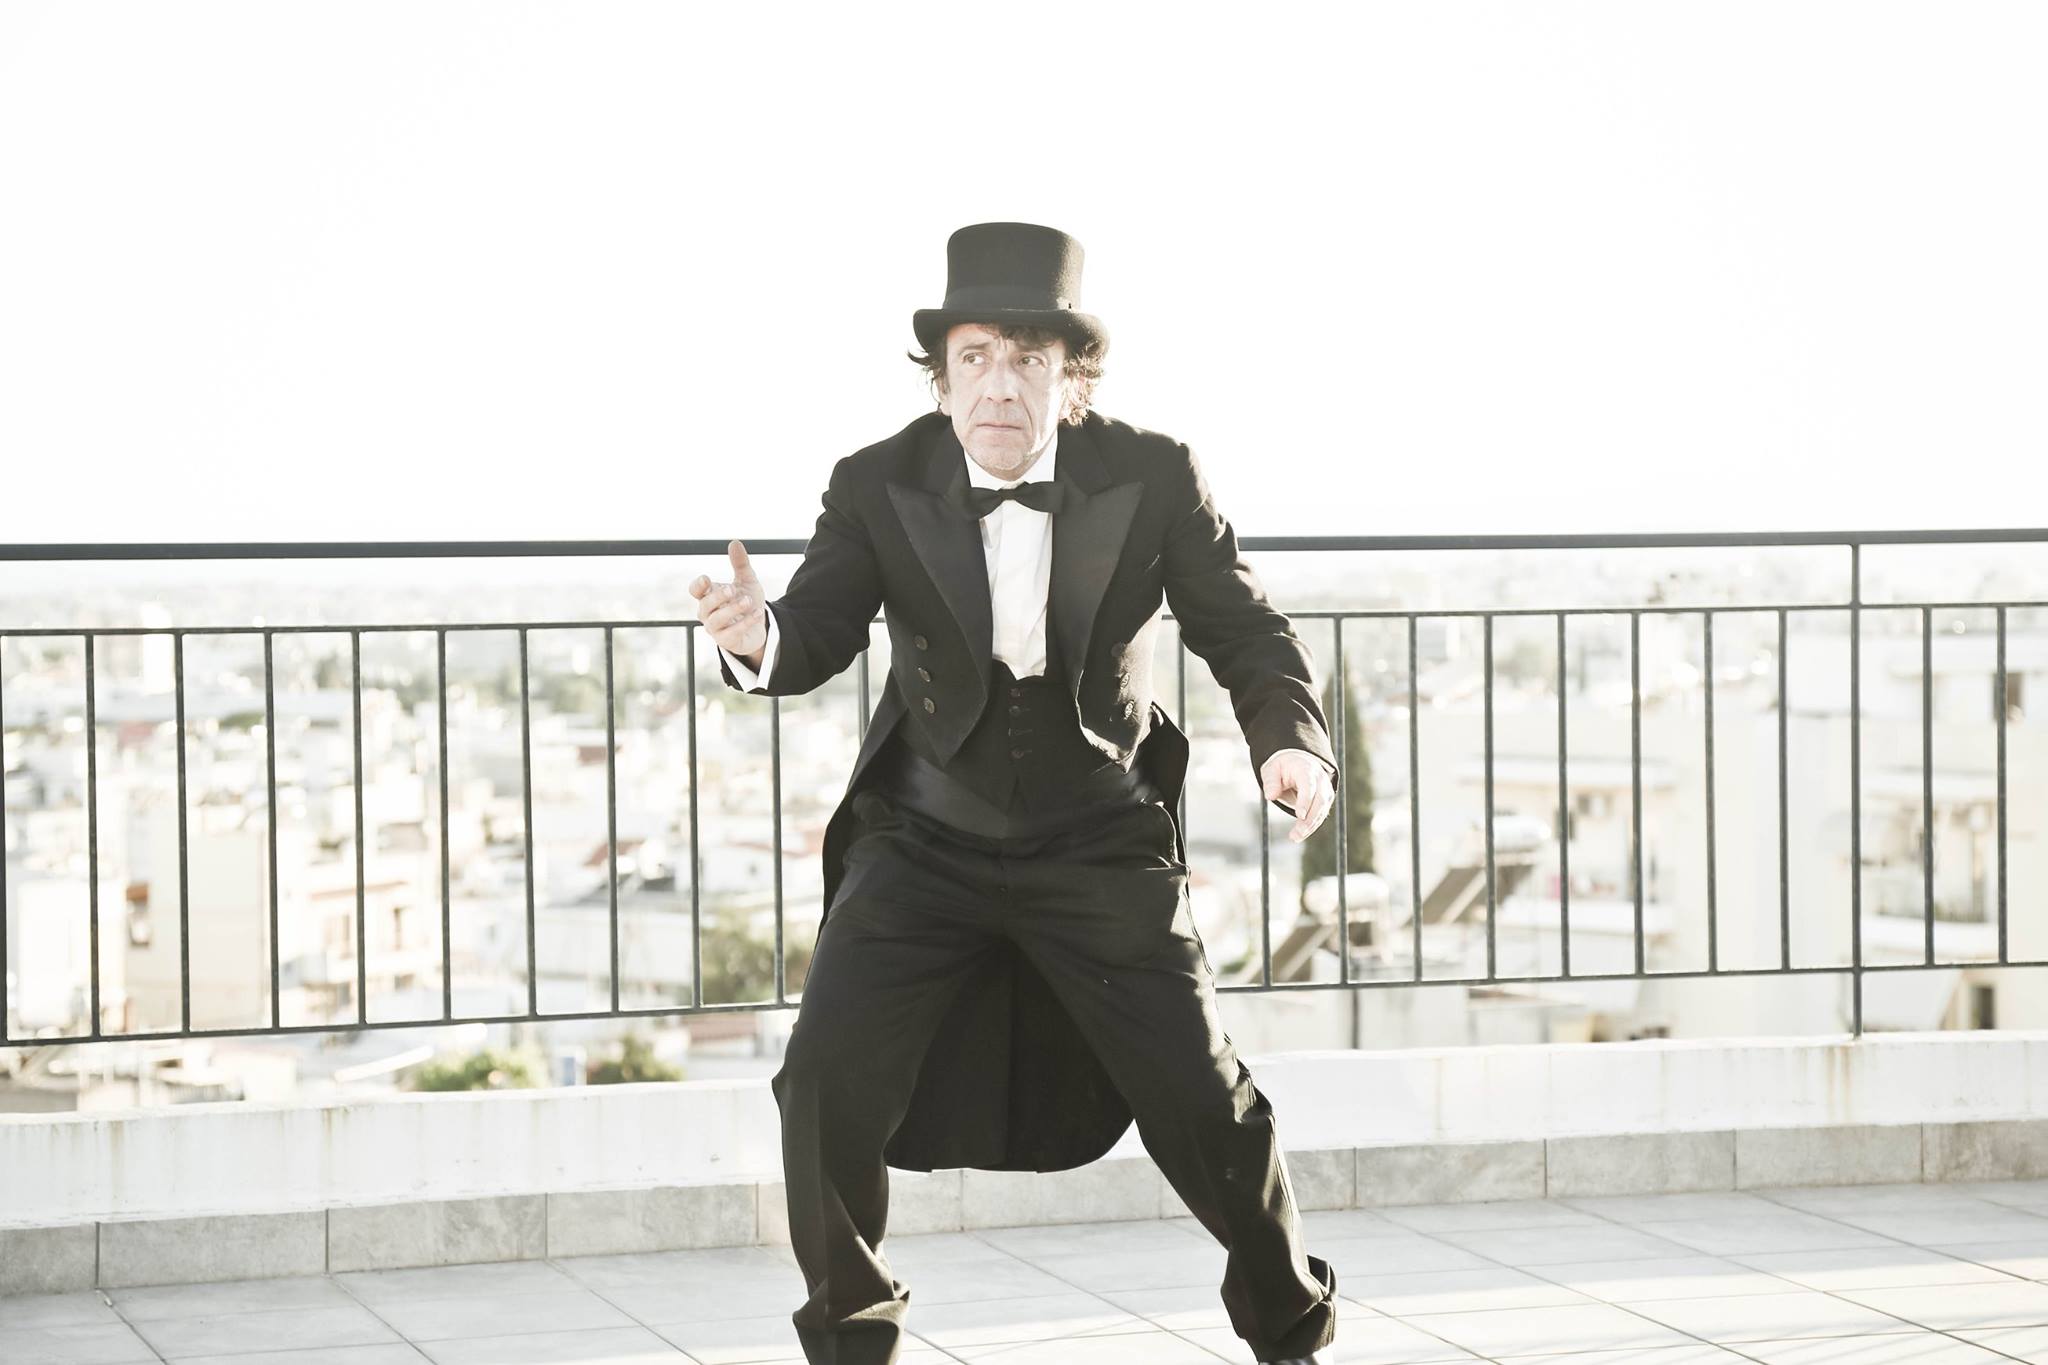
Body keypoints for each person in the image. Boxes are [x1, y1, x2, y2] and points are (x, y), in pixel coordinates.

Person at [690, 221, 1339, 1365]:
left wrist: (1291, 744)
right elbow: (816, 629)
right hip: (922, 835)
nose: (999, 384)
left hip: (1097, 831)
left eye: (1028, 359)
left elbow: (1242, 627)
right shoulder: (875, 481)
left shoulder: (1153, 474)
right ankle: (850, 1339)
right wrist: (759, 637)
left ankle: (1289, 1326)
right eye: (976, 356)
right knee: (821, 1082)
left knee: (1202, 1096)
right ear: (941, 379)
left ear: (1070, 381)